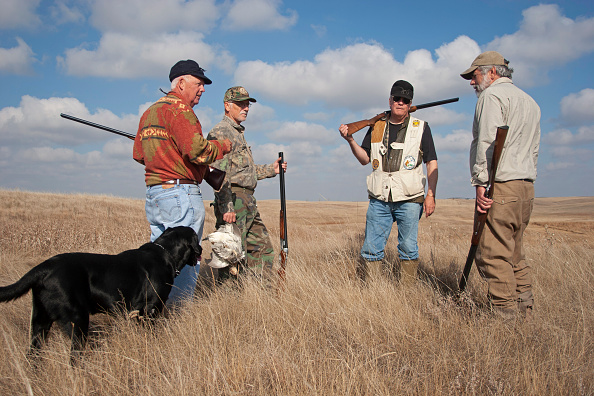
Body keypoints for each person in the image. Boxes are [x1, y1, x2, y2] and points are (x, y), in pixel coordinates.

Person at [133, 59, 232, 305]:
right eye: (198, 83)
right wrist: (222, 146)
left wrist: (166, 153)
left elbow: (138, 154)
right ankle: (178, 314)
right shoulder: (180, 110)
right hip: (180, 195)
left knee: (158, 259)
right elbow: (197, 151)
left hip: (155, 196)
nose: (203, 89)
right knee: (185, 258)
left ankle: (154, 308)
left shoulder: (149, 112)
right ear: (180, 83)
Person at [461, 51, 541, 321]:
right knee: (515, 251)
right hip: (525, 187)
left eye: (474, 75)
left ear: (491, 73)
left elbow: (487, 142)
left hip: (501, 185)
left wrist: (481, 184)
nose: (472, 82)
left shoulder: (491, 97)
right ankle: (525, 309)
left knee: (494, 253)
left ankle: (505, 316)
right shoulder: (530, 102)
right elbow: (534, 150)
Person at [338, 80, 438, 284]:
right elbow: (365, 159)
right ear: (390, 100)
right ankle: (372, 291)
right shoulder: (376, 126)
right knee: (371, 247)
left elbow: (431, 162)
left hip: (410, 199)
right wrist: (350, 140)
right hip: (380, 198)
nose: (400, 103)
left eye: (405, 100)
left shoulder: (421, 128)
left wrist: (431, 195)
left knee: (409, 248)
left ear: (410, 103)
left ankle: (406, 293)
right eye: (396, 98)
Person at [207, 86, 287, 287]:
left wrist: (272, 169)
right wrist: (227, 207)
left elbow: (244, 172)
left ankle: (261, 296)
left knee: (262, 249)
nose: (246, 108)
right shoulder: (221, 131)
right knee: (231, 253)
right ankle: (229, 300)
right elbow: (218, 174)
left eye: (247, 104)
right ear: (227, 106)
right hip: (233, 199)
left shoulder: (237, 132)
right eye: (241, 104)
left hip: (247, 201)